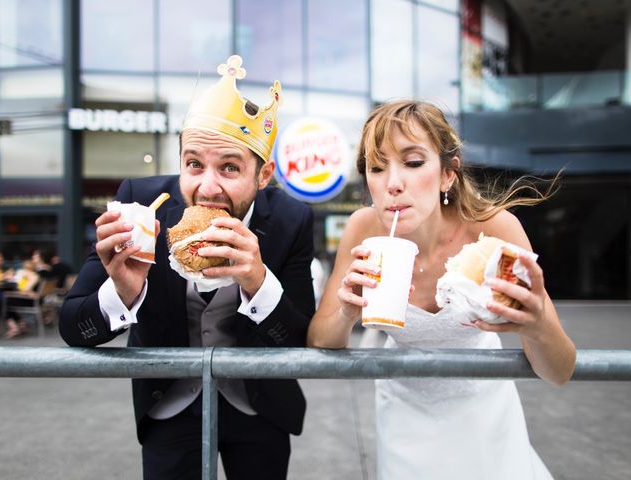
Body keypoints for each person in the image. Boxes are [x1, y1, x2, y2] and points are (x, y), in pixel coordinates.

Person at [59, 55, 315, 480]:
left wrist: (257, 280)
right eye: (194, 164)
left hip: (259, 407)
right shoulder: (141, 206)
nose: (208, 187)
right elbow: (72, 325)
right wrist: (122, 292)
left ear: (264, 174)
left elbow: (300, 338)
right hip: (169, 404)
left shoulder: (291, 220)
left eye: (230, 167)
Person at [307, 100, 576, 479]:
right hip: (404, 420)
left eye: (413, 163)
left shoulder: (495, 231)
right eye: (377, 167)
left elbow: (560, 372)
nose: (392, 183)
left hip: (485, 415)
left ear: (448, 174)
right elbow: (320, 340)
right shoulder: (363, 229)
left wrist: (536, 323)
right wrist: (348, 312)